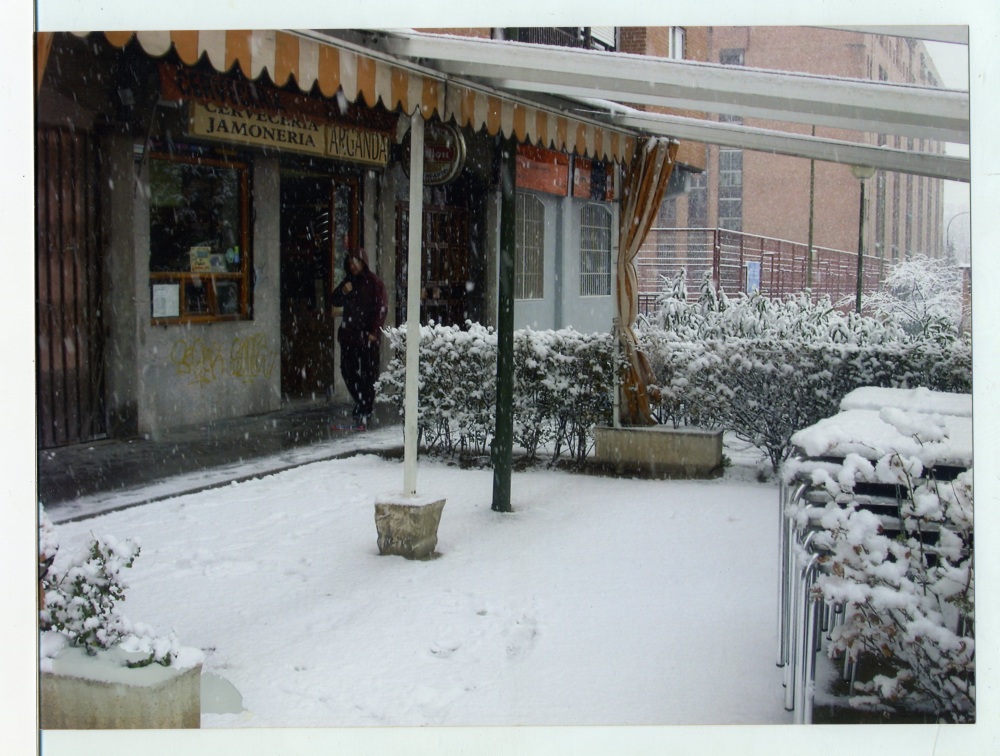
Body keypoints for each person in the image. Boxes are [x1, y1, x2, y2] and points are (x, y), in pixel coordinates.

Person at [330, 248, 388, 427]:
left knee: (369, 373)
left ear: (363, 263)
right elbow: (334, 300)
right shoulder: (348, 281)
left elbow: (381, 308)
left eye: (356, 262)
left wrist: (374, 331)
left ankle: (366, 406)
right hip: (349, 335)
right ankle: (362, 402)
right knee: (347, 370)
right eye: (351, 262)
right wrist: (343, 291)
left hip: (367, 336)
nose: (353, 266)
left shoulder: (374, 282)